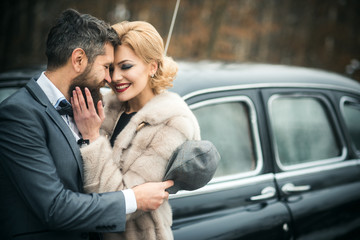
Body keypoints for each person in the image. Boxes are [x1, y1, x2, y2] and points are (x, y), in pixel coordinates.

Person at [0, 9, 173, 240]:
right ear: (79, 59)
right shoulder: (19, 115)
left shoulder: (85, 110)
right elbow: (55, 208)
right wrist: (133, 198)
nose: (110, 79)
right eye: (106, 67)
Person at [71, 21, 201, 240]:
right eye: (111, 68)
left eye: (126, 66)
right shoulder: (108, 106)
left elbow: (122, 204)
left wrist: (92, 138)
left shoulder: (173, 122)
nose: (115, 78)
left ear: (153, 66)